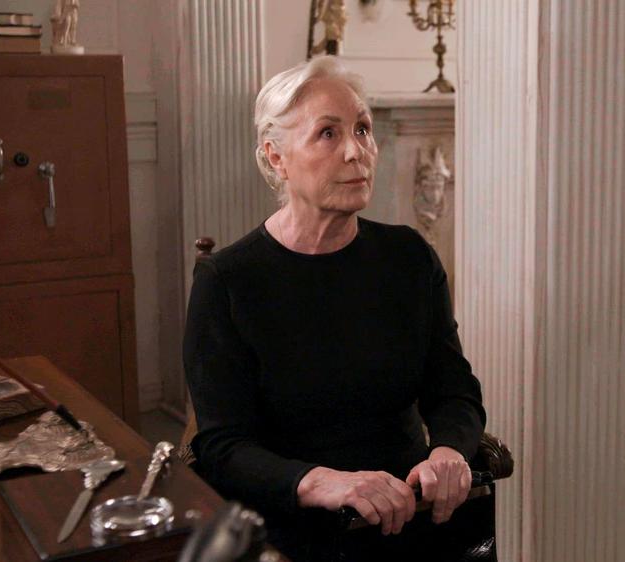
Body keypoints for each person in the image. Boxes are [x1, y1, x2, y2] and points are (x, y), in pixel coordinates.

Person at [182, 56, 487, 561]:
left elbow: (454, 390)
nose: (356, 151)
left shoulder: (409, 257)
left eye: (362, 129)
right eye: (328, 133)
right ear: (276, 157)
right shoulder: (228, 282)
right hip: (293, 525)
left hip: (409, 510)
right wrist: (322, 482)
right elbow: (222, 446)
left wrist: (449, 451)